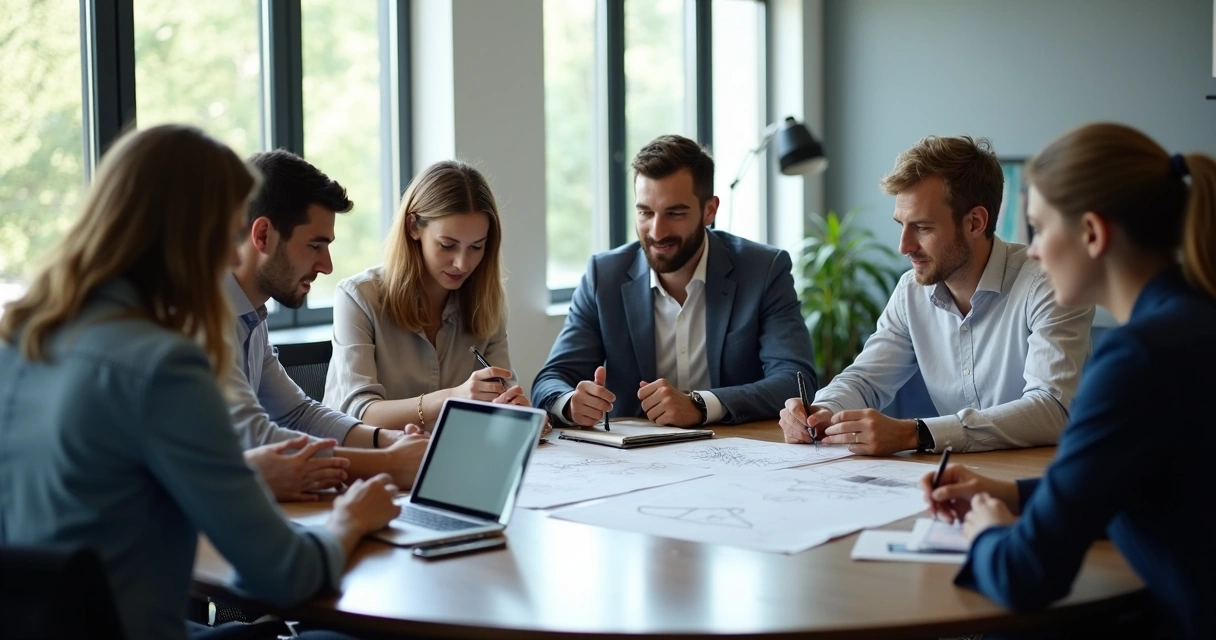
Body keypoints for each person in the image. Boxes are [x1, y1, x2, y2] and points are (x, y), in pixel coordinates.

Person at [0, 124, 399, 640]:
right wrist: (352, 519)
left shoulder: (21, 338)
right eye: (228, 236)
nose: (234, 259)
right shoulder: (163, 365)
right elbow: (284, 574)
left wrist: (245, 473)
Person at [921, 123, 1216, 639]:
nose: (1032, 251)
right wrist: (1009, 494)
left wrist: (987, 532)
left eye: (1038, 229)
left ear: (1093, 234)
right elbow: (1133, 483)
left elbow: (1026, 574)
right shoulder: (1193, 322)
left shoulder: (1136, 359)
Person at [778, 135, 1093, 455]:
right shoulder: (911, 292)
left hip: (1046, 473)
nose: (903, 246)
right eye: (901, 224)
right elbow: (866, 381)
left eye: (922, 227)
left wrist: (917, 433)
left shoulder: (1048, 283)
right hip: (957, 474)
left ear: (975, 222)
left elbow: (1052, 408)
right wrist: (822, 410)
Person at [532, 134, 816, 427]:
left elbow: (796, 380)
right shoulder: (603, 277)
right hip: (635, 452)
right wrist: (571, 403)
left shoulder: (763, 270)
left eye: (675, 213)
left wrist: (701, 405)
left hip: (738, 445)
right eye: (645, 212)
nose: (657, 231)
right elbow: (550, 381)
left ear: (710, 210)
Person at [228, 150, 429, 501]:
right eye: (314, 246)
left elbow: (296, 414)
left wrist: (385, 440)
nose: (327, 265)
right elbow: (255, 440)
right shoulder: (201, 320)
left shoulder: (252, 317)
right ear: (263, 235)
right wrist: (389, 464)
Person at [323, 160, 544, 435]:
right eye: (447, 245)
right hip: (364, 458)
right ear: (413, 226)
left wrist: (517, 414)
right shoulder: (358, 298)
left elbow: (502, 397)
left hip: (450, 454)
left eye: (476, 247)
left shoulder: (486, 302)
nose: (462, 264)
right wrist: (452, 398)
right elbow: (360, 414)